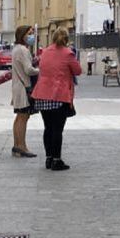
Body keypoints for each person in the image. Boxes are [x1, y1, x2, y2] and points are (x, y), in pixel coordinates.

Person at [31, 27, 81, 171]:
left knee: (48, 128)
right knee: (57, 129)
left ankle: (48, 158)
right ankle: (56, 160)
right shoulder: (68, 53)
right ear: (66, 39)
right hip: (59, 95)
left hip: (42, 94)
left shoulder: (45, 52)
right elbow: (78, 71)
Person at [10, 25, 40, 159]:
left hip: (18, 86)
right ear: (23, 35)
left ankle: (17, 146)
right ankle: (22, 146)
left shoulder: (16, 49)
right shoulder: (23, 50)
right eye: (30, 33)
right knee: (23, 117)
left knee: (19, 117)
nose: (32, 36)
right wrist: (40, 70)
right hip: (24, 87)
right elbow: (28, 70)